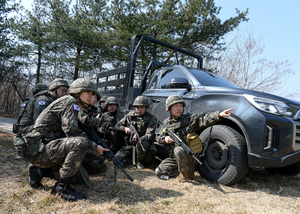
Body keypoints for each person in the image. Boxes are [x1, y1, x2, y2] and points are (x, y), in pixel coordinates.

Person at [23, 78, 109, 201]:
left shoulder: (70, 102)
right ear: (78, 91)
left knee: (81, 176)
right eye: (89, 92)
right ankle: (60, 188)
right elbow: (73, 133)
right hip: (39, 150)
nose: (92, 96)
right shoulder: (70, 102)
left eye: (93, 94)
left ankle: (41, 171)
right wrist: (95, 146)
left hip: (44, 149)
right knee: (80, 142)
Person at [155, 95, 233, 180]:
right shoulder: (166, 123)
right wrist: (165, 139)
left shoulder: (188, 119)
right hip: (175, 158)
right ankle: (183, 170)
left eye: (181, 105)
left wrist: (218, 115)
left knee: (178, 150)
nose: (179, 108)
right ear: (169, 108)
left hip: (190, 155)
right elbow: (158, 137)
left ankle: (185, 176)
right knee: (158, 172)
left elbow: (203, 118)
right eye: (175, 106)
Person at [115, 96, 157, 169]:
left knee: (142, 144)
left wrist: (140, 138)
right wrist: (125, 128)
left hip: (143, 145)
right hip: (130, 145)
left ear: (146, 108)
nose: (139, 110)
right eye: (137, 107)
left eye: (142, 107)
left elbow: (149, 135)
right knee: (116, 160)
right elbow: (117, 126)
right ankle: (130, 160)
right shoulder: (130, 116)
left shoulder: (152, 119)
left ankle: (140, 161)